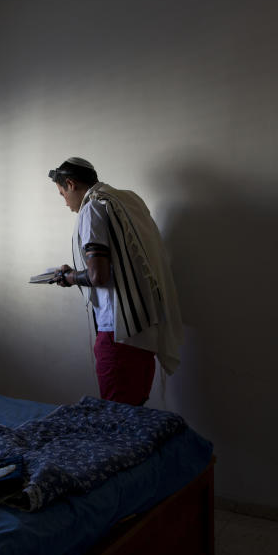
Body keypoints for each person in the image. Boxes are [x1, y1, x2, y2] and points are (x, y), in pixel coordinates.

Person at [48, 157, 183, 406]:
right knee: (135, 411)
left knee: (116, 416)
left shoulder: (93, 207)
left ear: (70, 183)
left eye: (61, 193)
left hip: (117, 333)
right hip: (144, 328)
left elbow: (99, 275)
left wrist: (69, 277)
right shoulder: (127, 201)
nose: (65, 202)